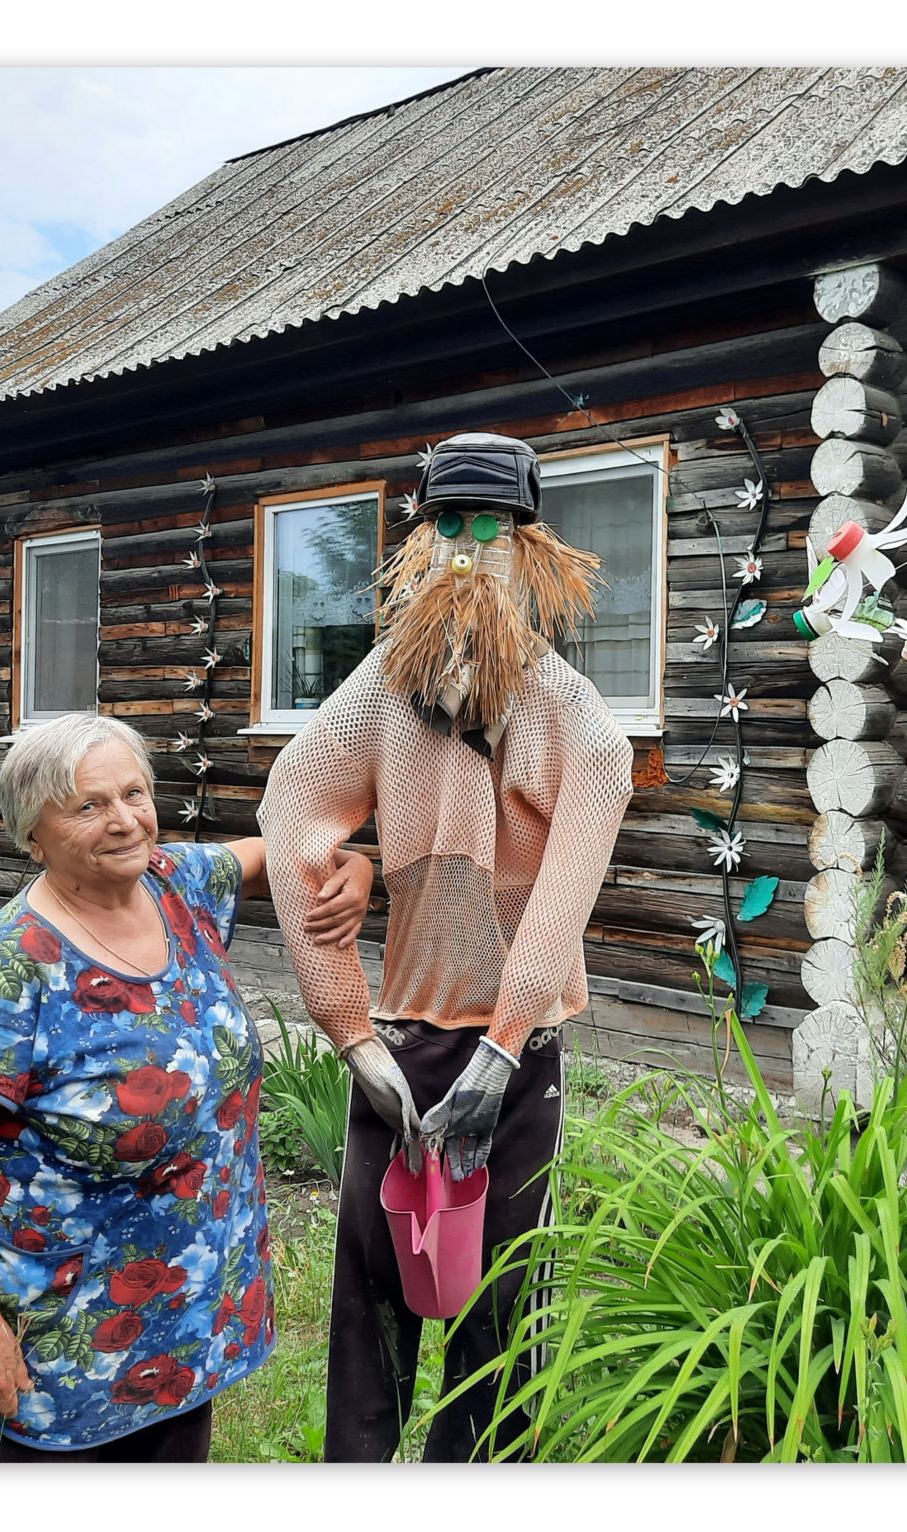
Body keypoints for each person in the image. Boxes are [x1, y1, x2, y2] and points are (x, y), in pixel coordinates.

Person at [257, 431, 633, 1461]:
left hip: (518, 1056)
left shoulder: (578, 723)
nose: (469, 551)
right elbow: (292, 800)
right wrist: (347, 1030)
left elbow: (561, 896)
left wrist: (504, 1044)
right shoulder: (379, 691)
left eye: (492, 528)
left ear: (531, 545)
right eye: (448, 525)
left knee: (503, 1296)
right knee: (373, 1285)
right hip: (403, 1035)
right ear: (418, 542)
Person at [0, 712, 373, 1462]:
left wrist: (351, 865)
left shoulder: (174, 885)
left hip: (185, 1320)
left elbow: (268, 853)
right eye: (88, 806)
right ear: (33, 835)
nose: (124, 821)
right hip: (57, 1346)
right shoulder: (9, 969)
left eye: (134, 794)